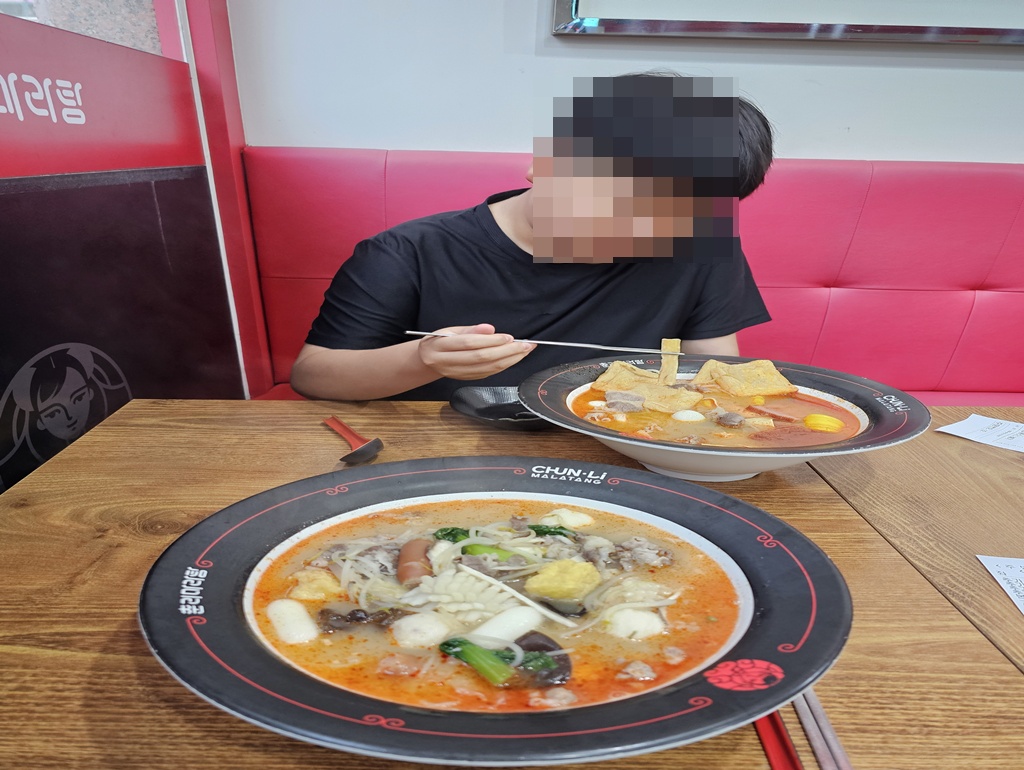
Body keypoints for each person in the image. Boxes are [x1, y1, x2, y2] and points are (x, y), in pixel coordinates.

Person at [291, 73, 774, 402]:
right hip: (447, 448)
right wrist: (424, 360)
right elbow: (313, 376)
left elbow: (716, 374)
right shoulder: (408, 252)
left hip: (619, 445)